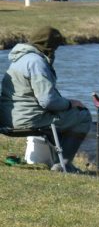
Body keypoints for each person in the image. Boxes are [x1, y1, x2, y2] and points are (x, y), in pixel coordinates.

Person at [1, 26, 92, 167]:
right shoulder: (37, 62)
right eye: (56, 47)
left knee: (59, 115)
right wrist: (70, 104)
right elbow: (48, 101)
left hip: (7, 120)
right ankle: (63, 165)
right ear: (49, 46)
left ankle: (56, 160)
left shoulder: (20, 59)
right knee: (83, 116)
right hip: (29, 121)